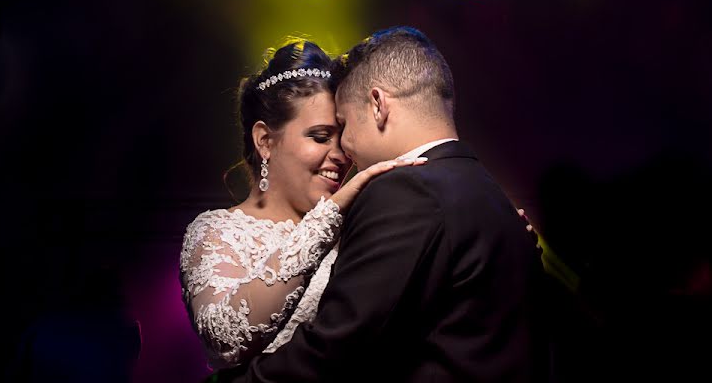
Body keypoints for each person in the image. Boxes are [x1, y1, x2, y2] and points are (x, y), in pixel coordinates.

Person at [218, 26, 551, 382]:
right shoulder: (492, 195)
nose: (344, 148)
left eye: (343, 124)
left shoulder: (405, 190)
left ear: (378, 104)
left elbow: (336, 351)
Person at [179, 40, 426, 372]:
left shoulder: (361, 229)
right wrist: (328, 218)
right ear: (265, 140)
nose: (340, 156)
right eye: (321, 137)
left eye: (343, 137)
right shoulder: (216, 233)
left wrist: (476, 234)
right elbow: (225, 339)